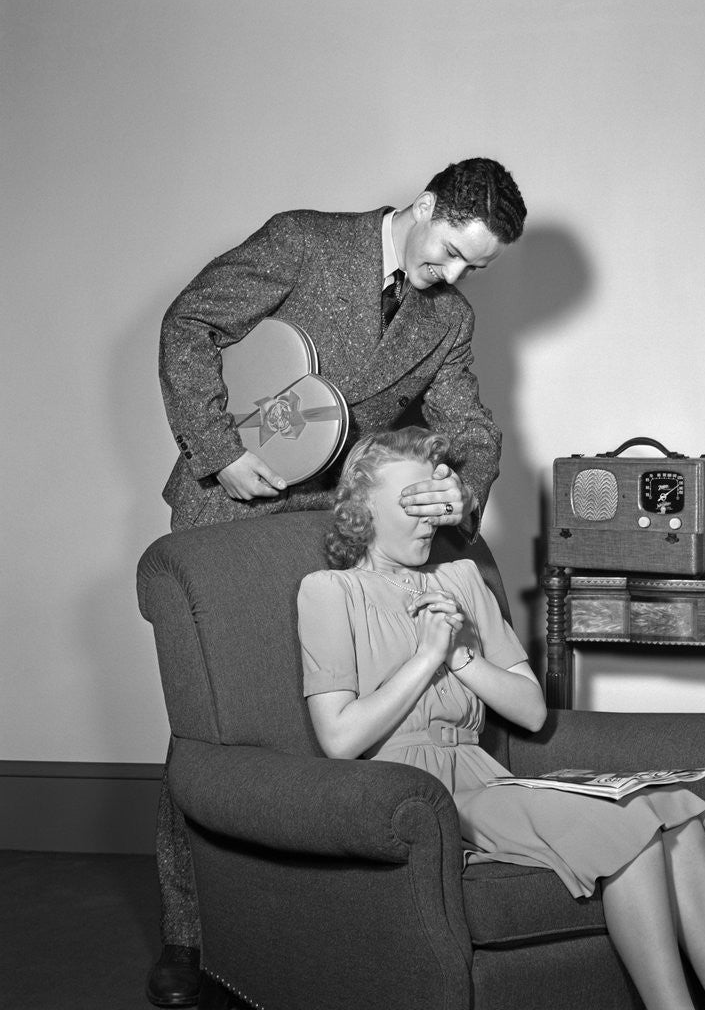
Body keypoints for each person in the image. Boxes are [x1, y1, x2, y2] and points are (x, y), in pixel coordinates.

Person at [149, 158, 527, 1007]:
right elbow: (191, 322)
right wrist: (219, 451)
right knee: (213, 719)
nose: (455, 276)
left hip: (336, 526)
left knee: (321, 712)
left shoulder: (448, 321)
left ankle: (308, 910)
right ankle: (188, 933)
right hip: (229, 508)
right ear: (425, 205)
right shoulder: (304, 241)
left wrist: (457, 487)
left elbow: (468, 423)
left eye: (475, 267)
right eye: (450, 252)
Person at [297, 427, 705, 1010]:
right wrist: (426, 658)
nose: (431, 517)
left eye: (435, 501)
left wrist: (464, 657)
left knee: (680, 819)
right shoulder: (329, 593)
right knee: (636, 833)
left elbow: (531, 710)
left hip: (489, 775)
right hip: (416, 792)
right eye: (411, 502)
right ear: (362, 508)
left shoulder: (461, 579)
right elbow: (339, 739)